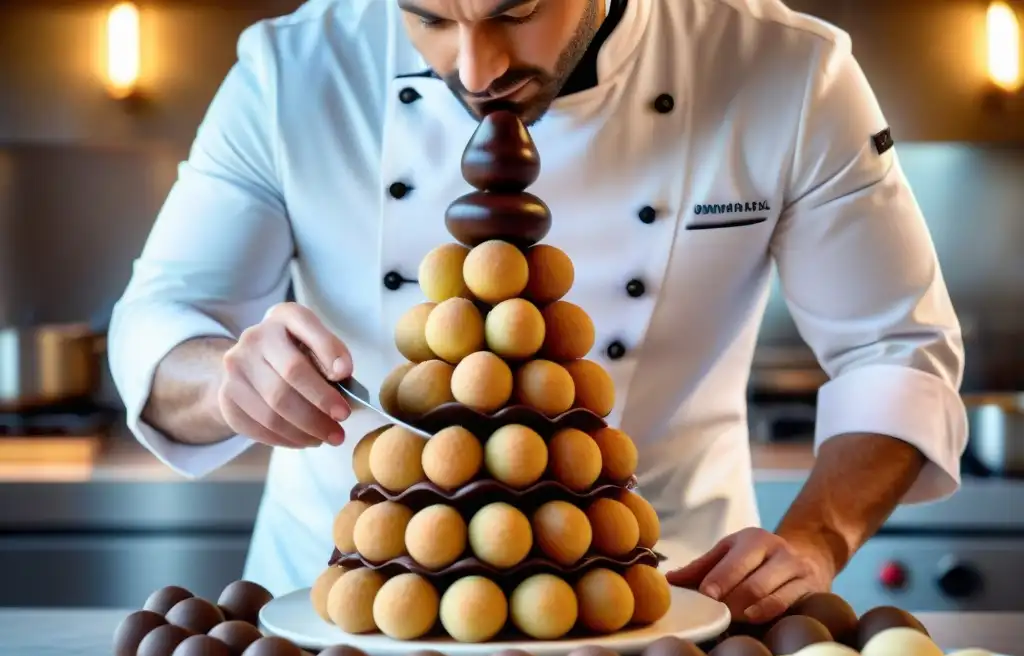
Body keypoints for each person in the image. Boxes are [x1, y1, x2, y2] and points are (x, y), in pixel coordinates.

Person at [107, 0, 967, 624]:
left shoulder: (787, 71)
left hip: (671, 610)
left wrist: (816, 540)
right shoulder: (291, 70)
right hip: (345, 617)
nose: (476, 70)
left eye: (515, 12)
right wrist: (227, 379)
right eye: (429, 19)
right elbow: (163, 319)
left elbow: (896, 350)